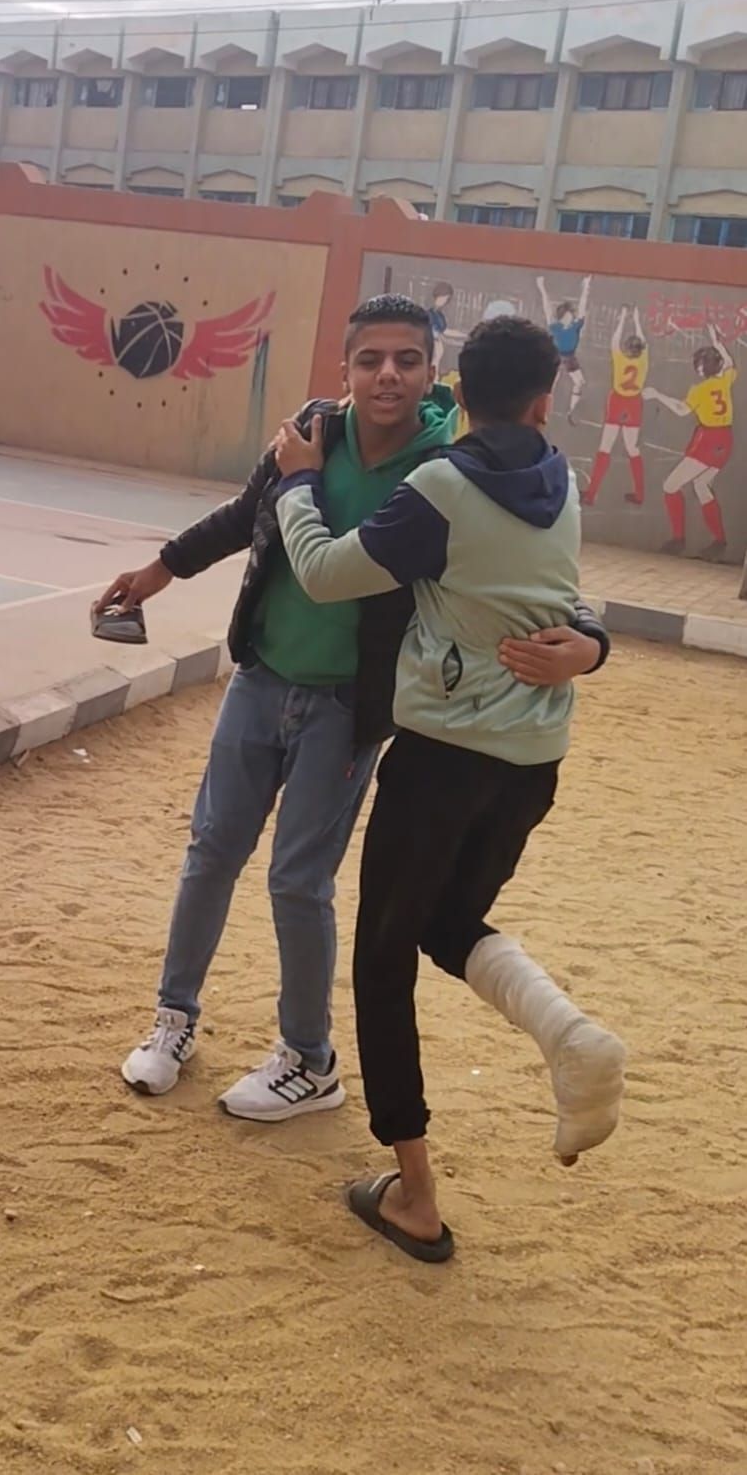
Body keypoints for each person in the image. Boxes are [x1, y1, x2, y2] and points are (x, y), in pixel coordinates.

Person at [95, 295, 609, 1123]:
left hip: (347, 703)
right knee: (211, 850)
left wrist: (587, 639)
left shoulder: (452, 467)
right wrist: (162, 567)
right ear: (345, 369)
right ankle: (173, 1017)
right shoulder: (313, 431)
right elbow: (246, 514)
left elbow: (524, 576)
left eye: (406, 359)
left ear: (434, 374)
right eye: (369, 359)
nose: (386, 375)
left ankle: (308, 1055)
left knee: (297, 880)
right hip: (262, 676)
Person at [273, 315, 626, 1261]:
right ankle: (567, 1033)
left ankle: (416, 1196)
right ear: (545, 402)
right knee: (444, 925)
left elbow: (324, 574)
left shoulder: (441, 486)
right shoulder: (561, 481)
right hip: (531, 764)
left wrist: (299, 482)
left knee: (383, 961)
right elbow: (559, 597)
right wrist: (592, 645)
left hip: (442, 760)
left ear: (456, 393)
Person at [645, 327, 736, 560]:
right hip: (725, 439)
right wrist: (717, 341)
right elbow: (729, 362)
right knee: (702, 485)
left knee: (670, 486)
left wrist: (657, 395)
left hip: (708, 439)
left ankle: (678, 539)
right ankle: (719, 540)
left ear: (700, 368)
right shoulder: (725, 380)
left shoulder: (700, 389)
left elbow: (682, 409)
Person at [581, 306, 649, 507]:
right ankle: (640, 494)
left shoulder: (620, 358)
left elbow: (614, 341)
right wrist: (637, 320)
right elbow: (644, 342)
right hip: (634, 402)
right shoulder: (643, 361)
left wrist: (622, 319)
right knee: (632, 448)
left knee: (605, 447)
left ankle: (591, 494)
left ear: (627, 349)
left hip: (618, 400)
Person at [536, 273, 590, 423]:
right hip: (556, 356)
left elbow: (582, 307)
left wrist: (585, 288)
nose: (572, 316)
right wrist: (542, 288)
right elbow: (547, 307)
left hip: (569, 357)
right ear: (564, 315)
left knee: (579, 382)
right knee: (551, 384)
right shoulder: (555, 326)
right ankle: (543, 409)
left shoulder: (575, 326)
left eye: (572, 314)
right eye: (570, 314)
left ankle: (572, 411)